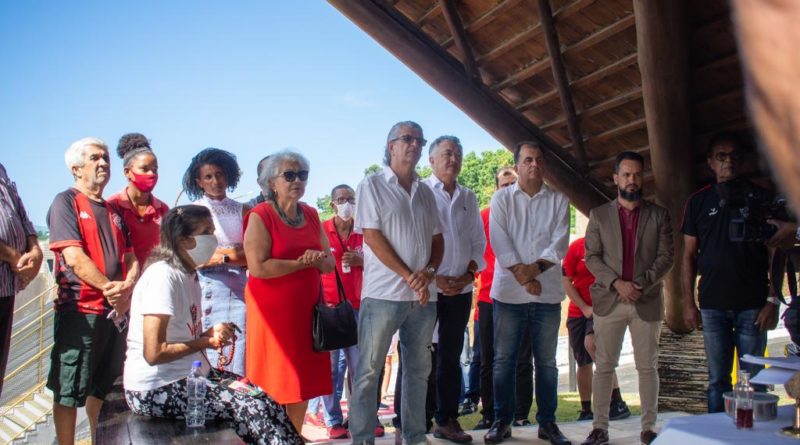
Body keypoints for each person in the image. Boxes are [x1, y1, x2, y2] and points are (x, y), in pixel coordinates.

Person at [123, 205, 302, 444]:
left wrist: (208, 333)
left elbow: (181, 336)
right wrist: (205, 341)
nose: (214, 238)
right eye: (207, 231)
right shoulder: (163, 277)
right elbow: (153, 352)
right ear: (184, 241)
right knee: (251, 407)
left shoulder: (189, 275)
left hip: (188, 376)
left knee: (262, 398)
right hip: (155, 389)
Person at [349, 121, 443, 445]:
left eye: (419, 139)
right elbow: (372, 237)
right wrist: (409, 276)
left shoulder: (427, 191)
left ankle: (414, 437)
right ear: (391, 145)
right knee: (369, 372)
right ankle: (362, 439)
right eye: (407, 139)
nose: (414, 145)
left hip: (423, 298)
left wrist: (428, 272)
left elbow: (437, 240)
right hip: (383, 295)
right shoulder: (371, 185)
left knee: (419, 371)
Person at [47, 137, 140, 444]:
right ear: (76, 168)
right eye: (95, 158)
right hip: (79, 311)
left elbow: (131, 257)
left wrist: (126, 288)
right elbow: (73, 256)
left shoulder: (113, 210)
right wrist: (109, 288)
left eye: (105, 158)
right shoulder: (66, 202)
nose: (103, 163)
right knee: (69, 387)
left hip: (113, 315)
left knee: (102, 386)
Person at [680, 132, 780, 413]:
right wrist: (688, 303)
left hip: (753, 305)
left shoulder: (760, 197)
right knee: (717, 382)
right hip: (712, 306)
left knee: (756, 381)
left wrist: (772, 300)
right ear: (711, 162)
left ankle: (753, 439)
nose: (728, 162)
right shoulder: (697, 202)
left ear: (743, 160)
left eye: (734, 156)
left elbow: (777, 252)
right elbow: (687, 256)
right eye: (721, 156)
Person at [581, 151, 673, 445]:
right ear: (616, 178)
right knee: (605, 366)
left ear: (642, 177)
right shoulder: (599, 215)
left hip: (646, 301)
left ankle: (648, 428)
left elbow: (666, 257)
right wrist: (618, 283)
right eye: (626, 174)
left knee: (647, 366)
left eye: (637, 174)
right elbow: (591, 258)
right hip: (609, 301)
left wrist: (639, 285)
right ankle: (600, 427)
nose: (632, 180)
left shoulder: (658, 214)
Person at [243, 150, 334, 434]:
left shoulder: (310, 213)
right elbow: (258, 267)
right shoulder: (260, 215)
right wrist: (300, 263)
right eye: (289, 175)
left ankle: (294, 435)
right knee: (274, 380)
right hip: (272, 314)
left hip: (307, 311)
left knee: (302, 380)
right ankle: (271, 437)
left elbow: (329, 263)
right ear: (272, 182)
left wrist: (317, 260)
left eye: (302, 175)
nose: (297, 180)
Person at [485, 141, 570, 445]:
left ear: (544, 165)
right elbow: (499, 240)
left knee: (546, 363)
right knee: (504, 361)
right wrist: (524, 278)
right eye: (528, 160)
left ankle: (547, 423)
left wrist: (532, 272)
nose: (534, 165)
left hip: (546, 295)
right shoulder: (502, 199)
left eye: (539, 160)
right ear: (517, 165)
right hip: (509, 295)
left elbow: (559, 243)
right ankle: (501, 421)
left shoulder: (559, 200)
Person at [422, 135, 485, 443]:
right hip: (428, 289)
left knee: (450, 356)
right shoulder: (420, 192)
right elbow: (416, 242)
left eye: (458, 154)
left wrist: (467, 275)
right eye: (447, 154)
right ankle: (412, 421)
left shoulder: (468, 197)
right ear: (431, 160)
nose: (454, 159)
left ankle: (446, 419)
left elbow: (478, 242)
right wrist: (435, 279)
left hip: (460, 290)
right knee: (419, 355)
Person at [474, 167, 536, 431]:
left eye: (514, 184)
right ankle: (490, 414)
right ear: (496, 189)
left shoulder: (530, 215)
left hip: (523, 298)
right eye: (504, 184)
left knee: (523, 359)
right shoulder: (484, 217)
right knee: (489, 359)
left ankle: (521, 413)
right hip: (489, 297)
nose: (509, 188)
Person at [182, 148, 249, 375]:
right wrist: (233, 254)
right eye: (208, 177)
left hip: (239, 289)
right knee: (209, 348)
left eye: (219, 174)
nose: (215, 181)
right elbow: (194, 256)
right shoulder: (191, 212)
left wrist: (220, 255)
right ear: (198, 181)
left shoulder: (244, 210)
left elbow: (252, 254)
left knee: (238, 349)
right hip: (203, 287)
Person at [563, 237, 630, 421]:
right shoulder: (576, 247)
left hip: (604, 307)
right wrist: (584, 307)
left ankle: (616, 401)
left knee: (593, 346)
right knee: (582, 362)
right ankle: (586, 409)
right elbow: (566, 280)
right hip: (579, 310)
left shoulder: (613, 247)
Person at [319, 184, 364, 439]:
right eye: (340, 199)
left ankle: (362, 417)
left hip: (358, 308)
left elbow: (380, 263)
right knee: (331, 369)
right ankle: (333, 420)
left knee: (360, 367)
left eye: (350, 199)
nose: (346, 203)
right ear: (332, 204)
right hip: (330, 309)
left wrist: (362, 261)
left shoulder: (364, 231)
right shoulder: (322, 231)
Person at [0, 162, 43, 397]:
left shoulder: (3, 170)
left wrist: (35, 251)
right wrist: (12, 255)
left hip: (5, 289)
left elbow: (22, 215)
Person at [108, 133, 168, 268]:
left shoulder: (163, 210)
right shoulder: (112, 207)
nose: (151, 174)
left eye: (155, 170)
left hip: (155, 284)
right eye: (144, 169)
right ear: (127, 172)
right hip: (123, 284)